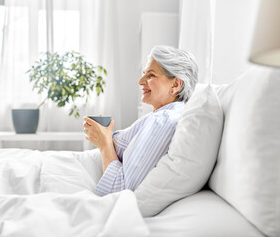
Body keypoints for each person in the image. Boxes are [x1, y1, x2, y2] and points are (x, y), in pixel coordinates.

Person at [83, 45, 198, 195]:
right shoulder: (163, 115)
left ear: (175, 85)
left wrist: (105, 144)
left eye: (151, 75)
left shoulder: (162, 120)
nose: (141, 81)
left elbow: (120, 190)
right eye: (144, 74)